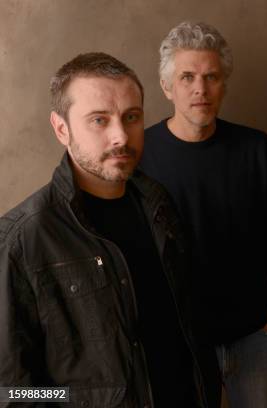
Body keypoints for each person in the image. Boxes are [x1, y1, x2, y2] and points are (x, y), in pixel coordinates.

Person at [0, 52, 219, 407]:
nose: (121, 136)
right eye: (99, 120)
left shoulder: (157, 205)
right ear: (61, 128)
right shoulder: (23, 239)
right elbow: (11, 391)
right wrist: (75, 400)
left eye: (131, 117)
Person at [139, 21, 267, 407]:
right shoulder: (141, 156)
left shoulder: (256, 149)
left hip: (256, 335)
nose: (200, 89)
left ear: (224, 83)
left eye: (211, 77)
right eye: (187, 77)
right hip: (179, 342)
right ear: (167, 85)